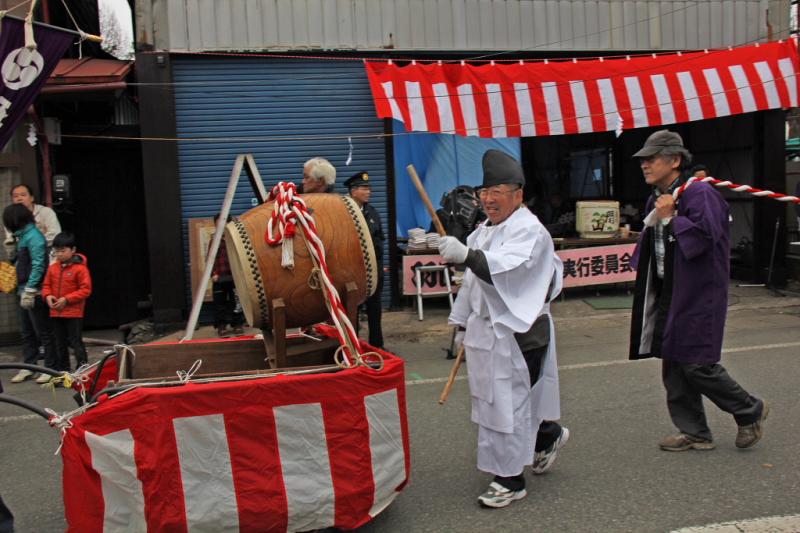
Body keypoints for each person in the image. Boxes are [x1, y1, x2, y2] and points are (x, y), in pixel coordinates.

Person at [438, 149, 568, 508]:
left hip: (519, 332)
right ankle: (546, 435)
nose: (488, 199)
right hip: (487, 333)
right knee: (500, 400)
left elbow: (510, 272)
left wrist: (466, 256)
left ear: (518, 194)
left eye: (498, 190)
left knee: (506, 403)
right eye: (485, 191)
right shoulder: (484, 231)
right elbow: (473, 284)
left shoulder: (529, 230)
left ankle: (510, 479)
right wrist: (462, 322)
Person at [629, 130, 768, 452]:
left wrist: (671, 218)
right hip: (670, 291)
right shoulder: (659, 197)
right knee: (673, 363)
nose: (645, 165)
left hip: (699, 291)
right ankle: (694, 431)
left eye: (652, 158)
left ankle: (750, 409)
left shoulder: (699, 194)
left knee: (697, 363)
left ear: (675, 160)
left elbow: (706, 240)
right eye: (643, 160)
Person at [3, 204, 57, 384]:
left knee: (43, 332)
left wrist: (31, 288)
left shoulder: (34, 237)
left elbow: (38, 264)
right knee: (27, 332)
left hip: (34, 291)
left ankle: (50, 368)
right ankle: (30, 366)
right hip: (22, 289)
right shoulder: (22, 237)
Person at [344, 171, 384, 348]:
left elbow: (380, 239)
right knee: (353, 309)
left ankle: (377, 345)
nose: (369, 192)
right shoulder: (345, 212)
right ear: (353, 191)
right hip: (354, 269)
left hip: (374, 270)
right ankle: (353, 346)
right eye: (364, 188)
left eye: (369, 188)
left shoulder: (372, 212)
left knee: (375, 309)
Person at [41, 232, 92, 371]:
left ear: (73, 250)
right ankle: (63, 371)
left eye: (63, 251)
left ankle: (82, 368)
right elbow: (46, 286)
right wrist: (47, 296)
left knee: (76, 342)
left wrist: (67, 299)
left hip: (74, 312)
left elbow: (85, 290)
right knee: (59, 343)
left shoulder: (80, 269)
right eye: (56, 251)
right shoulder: (52, 268)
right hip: (56, 312)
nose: (59, 254)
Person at [3, 184, 61, 260]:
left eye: (23, 195)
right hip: (23, 257)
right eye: (15, 196)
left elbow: (55, 236)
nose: (19, 198)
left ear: (32, 198)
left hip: (48, 255)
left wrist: (26, 243)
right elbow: (11, 243)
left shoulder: (46, 212)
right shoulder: (10, 218)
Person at [209, 216, 244, 337]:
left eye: (224, 223)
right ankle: (221, 326)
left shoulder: (235, 239)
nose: (221, 227)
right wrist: (213, 274)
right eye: (218, 224)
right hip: (219, 278)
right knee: (220, 304)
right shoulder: (214, 241)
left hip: (235, 278)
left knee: (237, 303)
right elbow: (210, 260)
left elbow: (242, 257)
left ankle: (238, 324)